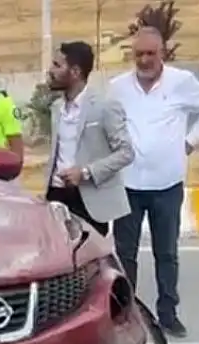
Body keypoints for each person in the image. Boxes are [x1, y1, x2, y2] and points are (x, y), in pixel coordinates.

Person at [108, 26, 199, 338]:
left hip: (167, 185)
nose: (145, 60)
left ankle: (168, 314)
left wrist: (191, 140)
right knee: (125, 253)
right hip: (128, 184)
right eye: (139, 54)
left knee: (167, 253)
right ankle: (125, 314)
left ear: (163, 53)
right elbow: (106, 122)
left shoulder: (181, 82)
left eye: (151, 53)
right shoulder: (117, 87)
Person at [42, 41, 135, 237]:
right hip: (56, 195)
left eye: (57, 65)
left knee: (88, 255)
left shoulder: (104, 105)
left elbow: (126, 153)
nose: (50, 70)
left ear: (75, 72)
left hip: (88, 200)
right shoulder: (57, 108)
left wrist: (85, 172)